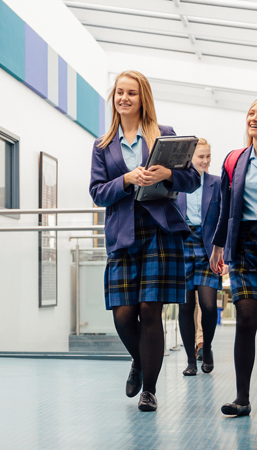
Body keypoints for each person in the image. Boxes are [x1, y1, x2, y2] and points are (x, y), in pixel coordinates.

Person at [89, 70, 200, 412]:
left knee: (150, 310)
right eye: (119, 92)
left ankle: (149, 390)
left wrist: (168, 174)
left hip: (160, 232)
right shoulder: (103, 146)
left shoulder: (163, 136)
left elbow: (192, 180)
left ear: (143, 99)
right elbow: (97, 192)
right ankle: (139, 360)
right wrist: (125, 178)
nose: (124, 98)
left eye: (131, 93)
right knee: (123, 315)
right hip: (123, 233)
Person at [210, 99, 257, 417]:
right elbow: (226, 208)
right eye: (252, 112)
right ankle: (242, 398)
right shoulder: (235, 160)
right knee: (246, 318)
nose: (254, 118)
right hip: (243, 246)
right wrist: (217, 247)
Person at [176, 138, 224, 376]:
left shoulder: (217, 182)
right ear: (190, 159)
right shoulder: (176, 183)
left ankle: (207, 348)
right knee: (185, 307)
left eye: (207, 156)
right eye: (200, 157)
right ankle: (190, 360)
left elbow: (225, 219)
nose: (205, 161)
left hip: (208, 250)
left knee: (207, 305)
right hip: (182, 247)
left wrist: (223, 251)